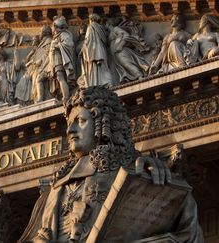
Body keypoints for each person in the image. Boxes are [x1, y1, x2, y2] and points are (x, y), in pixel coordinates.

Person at [18, 86, 203, 243]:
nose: (70, 130)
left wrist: (160, 182)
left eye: (80, 121)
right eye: (69, 123)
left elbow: (186, 224)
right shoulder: (56, 188)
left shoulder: (135, 171)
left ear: (102, 123)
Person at [78, 14, 113, 87]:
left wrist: (82, 50)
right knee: (103, 68)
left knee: (93, 68)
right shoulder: (101, 28)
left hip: (92, 51)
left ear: (91, 19)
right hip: (101, 50)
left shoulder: (90, 27)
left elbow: (88, 40)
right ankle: (107, 82)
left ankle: (95, 83)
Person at [49, 16, 75, 102]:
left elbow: (69, 44)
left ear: (56, 26)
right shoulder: (56, 36)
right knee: (59, 78)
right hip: (55, 60)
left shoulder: (63, 34)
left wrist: (57, 46)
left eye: (53, 26)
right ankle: (63, 96)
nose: (52, 29)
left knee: (60, 77)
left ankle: (65, 97)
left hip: (60, 60)